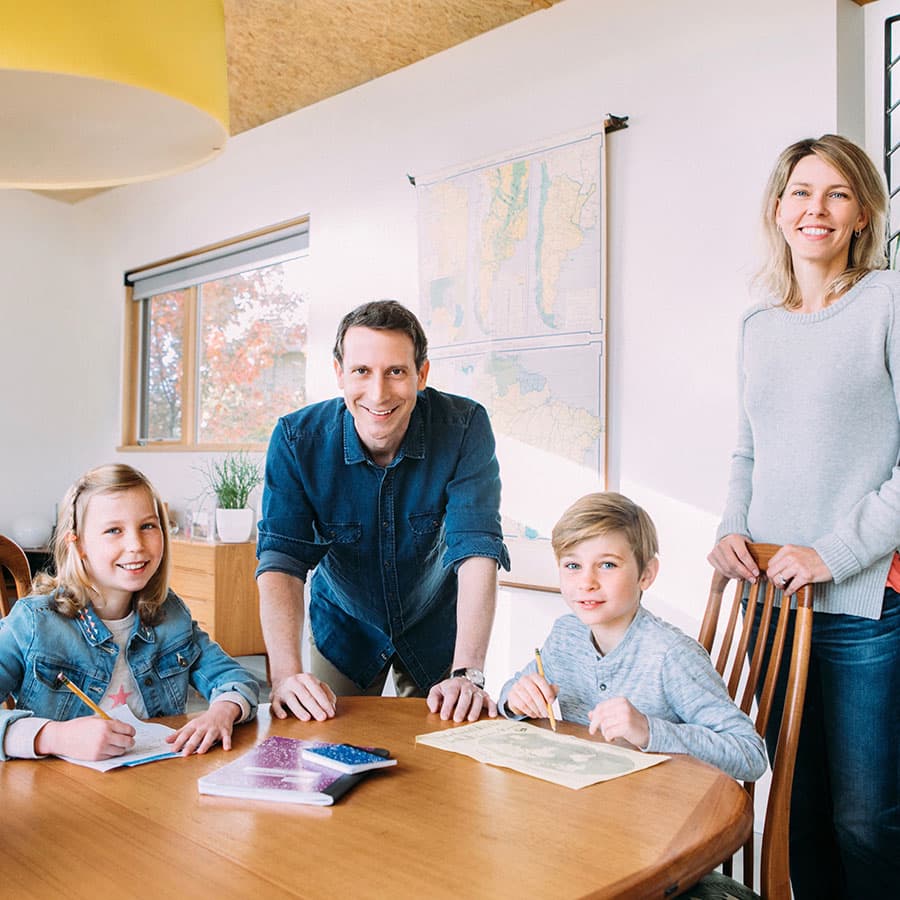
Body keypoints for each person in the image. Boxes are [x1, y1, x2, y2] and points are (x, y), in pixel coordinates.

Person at [708, 134, 900, 897]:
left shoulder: (889, 302)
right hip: (770, 605)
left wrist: (831, 553)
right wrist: (730, 527)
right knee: (799, 810)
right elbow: (749, 450)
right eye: (800, 192)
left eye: (837, 194)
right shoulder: (758, 325)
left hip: (862, 605)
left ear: (861, 215)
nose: (815, 209)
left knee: (868, 819)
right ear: (777, 209)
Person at [256, 300, 509, 723]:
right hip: (344, 626)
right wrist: (285, 677)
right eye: (361, 372)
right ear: (339, 373)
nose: (378, 393)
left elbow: (477, 548)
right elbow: (281, 561)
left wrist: (468, 672)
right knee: (322, 742)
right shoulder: (295, 439)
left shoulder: (465, 427)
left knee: (444, 759)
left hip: (435, 629)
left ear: (421, 375)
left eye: (395, 371)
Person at [498, 492, 766, 782]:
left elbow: (749, 754)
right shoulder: (566, 635)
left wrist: (648, 730)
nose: (586, 583)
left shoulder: (671, 655)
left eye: (608, 565)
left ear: (646, 574)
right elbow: (512, 694)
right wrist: (515, 699)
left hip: (659, 814)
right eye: (573, 566)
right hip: (589, 804)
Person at [0, 464, 259, 762]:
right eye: (114, 531)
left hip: (152, 788)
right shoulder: (34, 623)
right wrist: (52, 737)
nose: (136, 545)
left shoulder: (170, 616)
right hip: (61, 795)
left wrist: (222, 711)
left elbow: (232, 676)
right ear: (79, 544)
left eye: (148, 526)